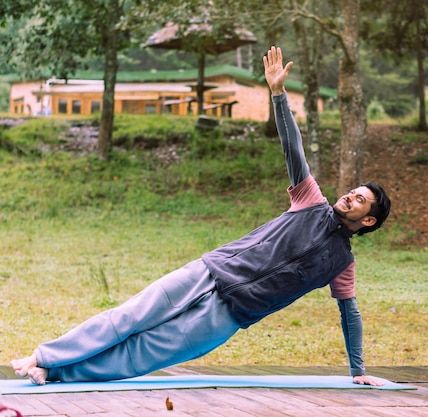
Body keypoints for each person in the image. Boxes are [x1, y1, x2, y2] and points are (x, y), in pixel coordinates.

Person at [10, 46, 391, 387]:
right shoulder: (311, 199)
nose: (349, 197)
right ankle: (44, 356)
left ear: (369, 220)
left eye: (359, 201)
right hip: (209, 271)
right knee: (126, 318)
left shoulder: (343, 264)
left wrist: (357, 370)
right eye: (353, 191)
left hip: (229, 314)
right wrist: (278, 94)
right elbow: (293, 147)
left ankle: (56, 372)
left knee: (141, 355)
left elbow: (349, 314)